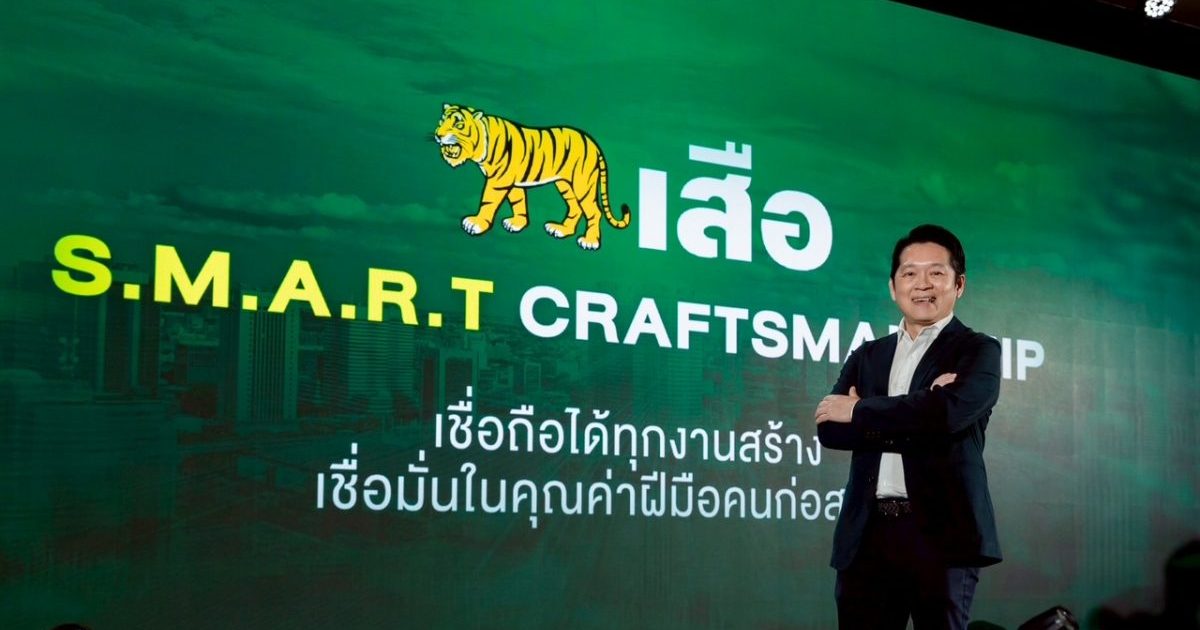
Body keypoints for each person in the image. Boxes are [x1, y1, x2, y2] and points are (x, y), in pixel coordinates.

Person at [815, 224, 1002, 630]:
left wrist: (860, 410)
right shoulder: (868, 355)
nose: (922, 284)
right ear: (893, 286)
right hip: (867, 535)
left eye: (936, 273)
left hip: (941, 535)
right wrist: (921, 407)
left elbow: (947, 415)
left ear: (959, 284)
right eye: (910, 273)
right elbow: (831, 428)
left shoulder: (978, 349)